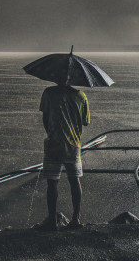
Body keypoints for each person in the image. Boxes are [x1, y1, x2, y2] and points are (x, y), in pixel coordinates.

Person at [39, 83, 90, 231]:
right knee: (75, 180)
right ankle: (76, 218)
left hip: (54, 143)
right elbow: (85, 121)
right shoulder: (81, 96)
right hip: (73, 145)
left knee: (52, 183)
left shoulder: (49, 93)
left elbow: (45, 118)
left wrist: (52, 132)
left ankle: (52, 221)